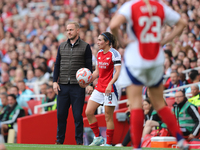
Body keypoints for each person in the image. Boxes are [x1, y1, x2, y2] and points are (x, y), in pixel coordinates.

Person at [110, 0, 189, 150]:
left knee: (135, 105)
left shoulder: (131, 5)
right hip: (155, 59)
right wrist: (165, 40)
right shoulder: (160, 6)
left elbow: (114, 25)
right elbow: (182, 23)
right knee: (160, 104)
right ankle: (180, 139)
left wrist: (121, 41)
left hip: (136, 59)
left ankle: (137, 146)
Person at [53, 21, 93, 145]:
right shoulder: (61, 46)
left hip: (78, 87)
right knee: (61, 116)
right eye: (67, 30)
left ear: (77, 30)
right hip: (63, 86)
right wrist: (55, 81)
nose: (69, 32)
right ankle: (59, 141)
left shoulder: (85, 46)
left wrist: (89, 84)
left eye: (71, 29)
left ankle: (79, 142)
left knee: (77, 116)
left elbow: (88, 67)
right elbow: (57, 65)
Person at [81, 32, 121, 146]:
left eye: (100, 40)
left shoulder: (114, 54)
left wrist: (110, 84)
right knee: (88, 112)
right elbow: (97, 72)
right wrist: (87, 82)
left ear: (107, 41)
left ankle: (109, 143)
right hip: (99, 87)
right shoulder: (98, 53)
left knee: (108, 116)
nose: (97, 42)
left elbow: (118, 71)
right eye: (97, 40)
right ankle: (98, 137)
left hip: (111, 88)